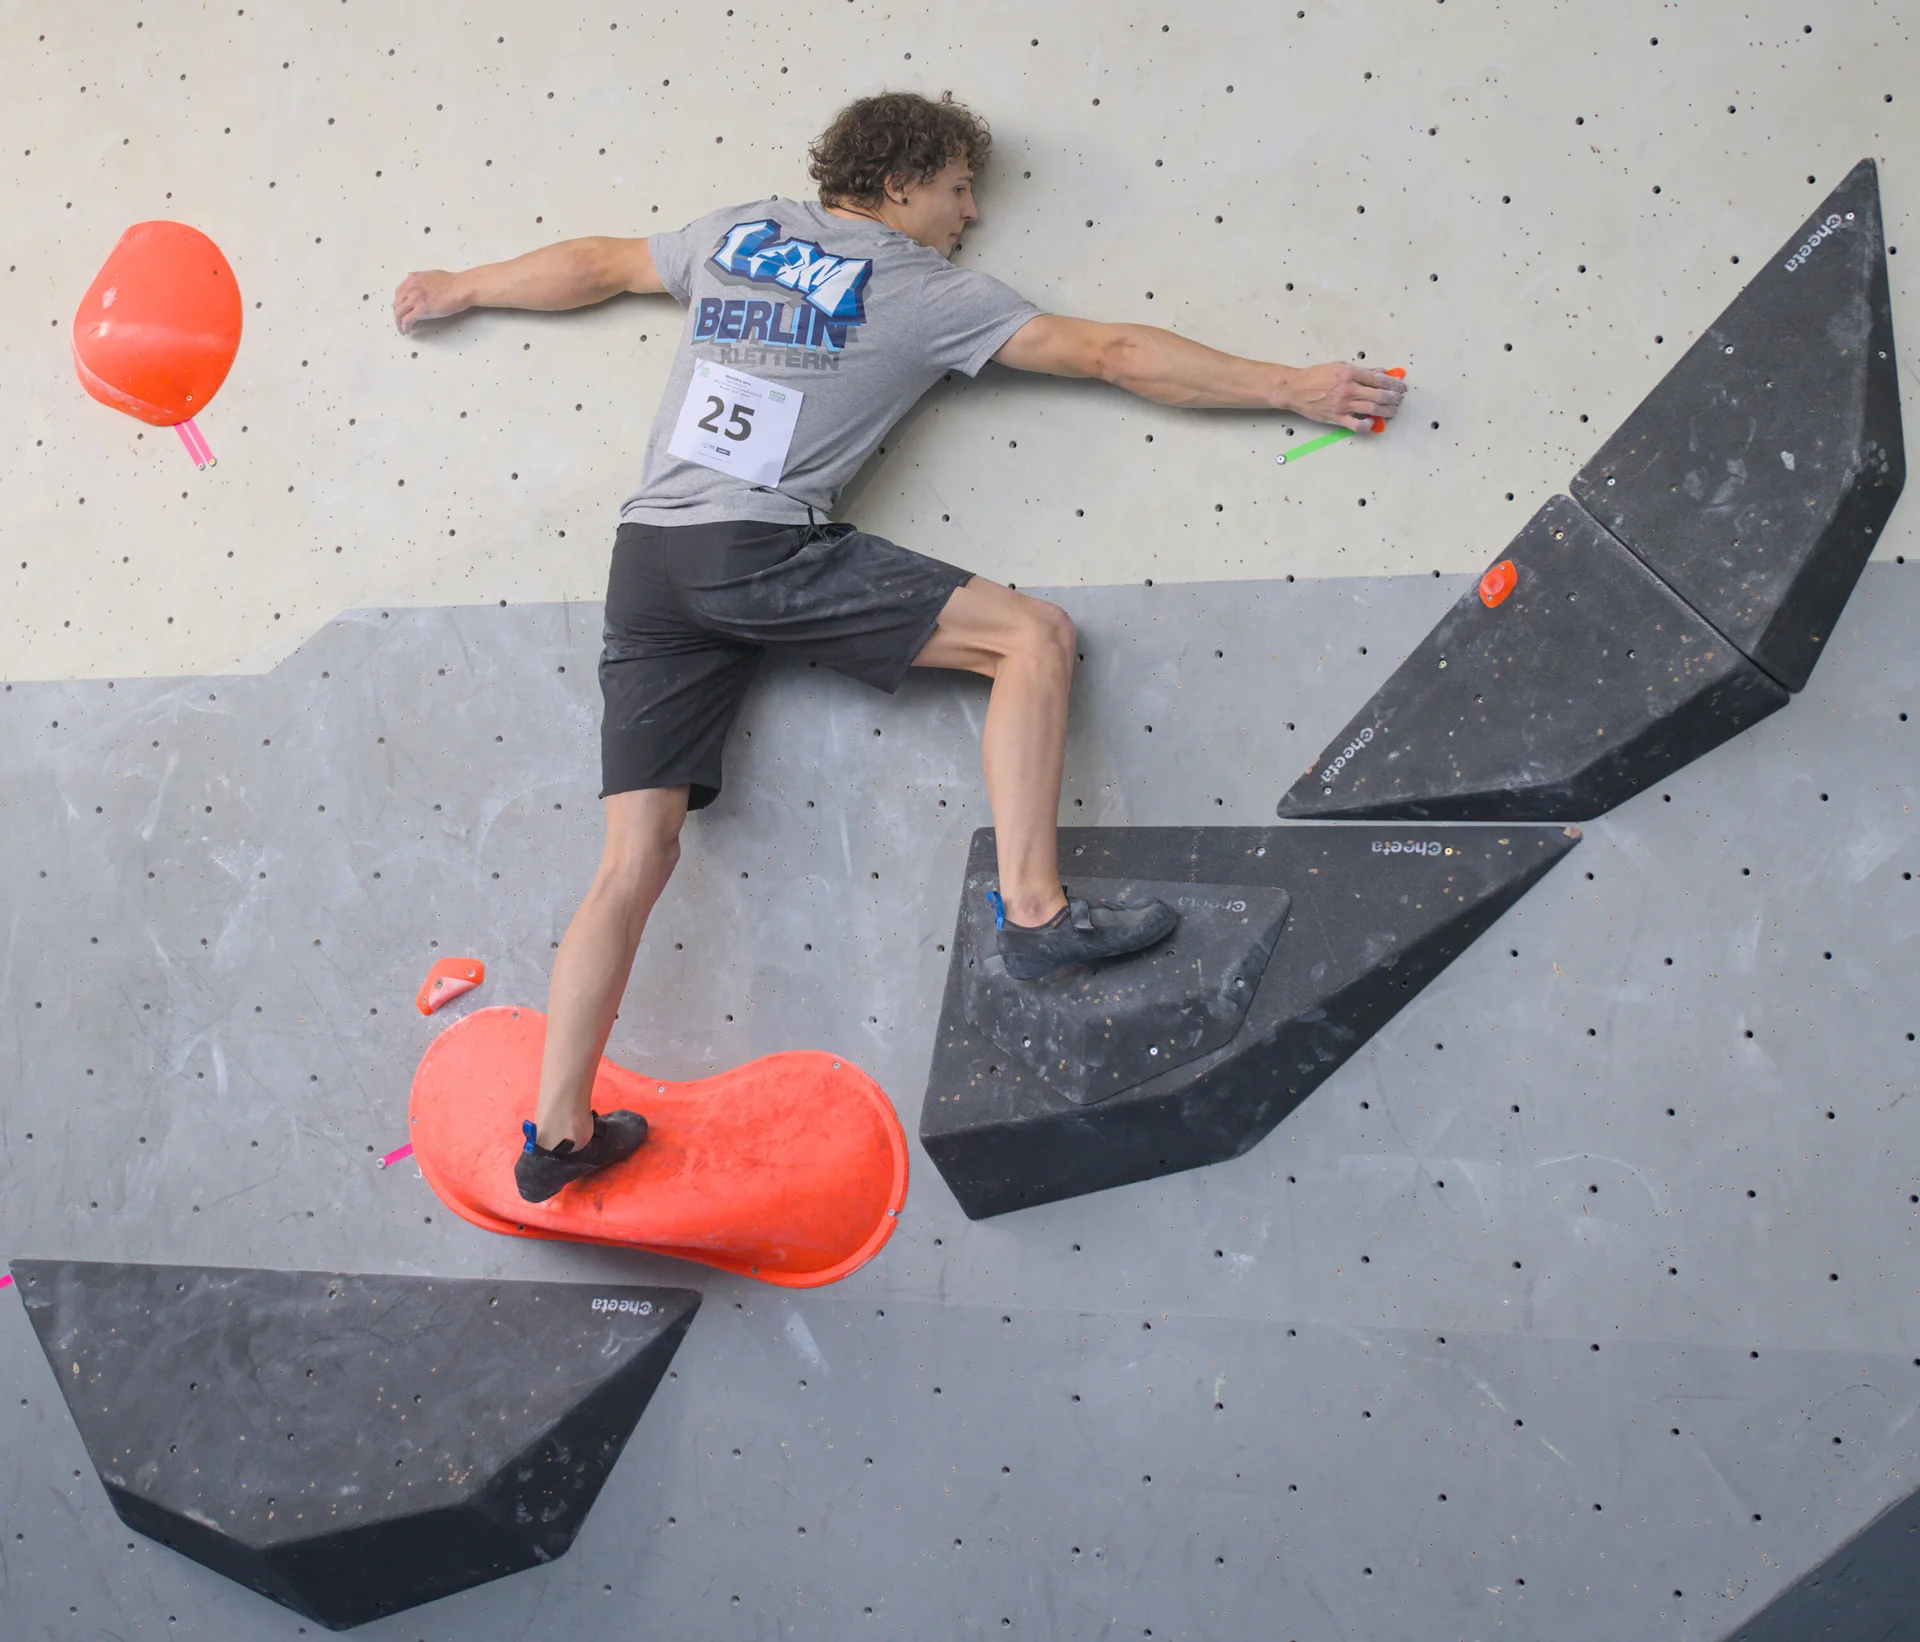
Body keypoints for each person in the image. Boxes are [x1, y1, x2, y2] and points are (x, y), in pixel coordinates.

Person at [393, 91, 1407, 1203]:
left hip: (649, 566)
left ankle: (558, 1132)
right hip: (756, 548)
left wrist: (459, 288)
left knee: (632, 860)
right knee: (1032, 638)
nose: (971, 214)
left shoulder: (740, 233)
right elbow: (1112, 352)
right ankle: (1036, 912)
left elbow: (597, 264)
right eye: (960, 188)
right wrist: (1292, 387)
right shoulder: (918, 287)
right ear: (899, 183)